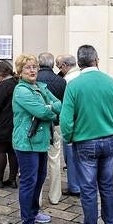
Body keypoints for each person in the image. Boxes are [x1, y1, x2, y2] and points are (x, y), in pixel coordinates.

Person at [60, 45, 113, 224]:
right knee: (107, 187)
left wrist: (69, 138)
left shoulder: (74, 85)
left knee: (88, 190)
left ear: (79, 63)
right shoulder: (112, 83)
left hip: (85, 141)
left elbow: (66, 119)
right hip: (109, 139)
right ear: (97, 60)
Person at [12, 54, 61, 224]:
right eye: (27, 68)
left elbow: (60, 104)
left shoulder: (40, 87)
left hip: (40, 141)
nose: (32, 70)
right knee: (28, 181)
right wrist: (49, 108)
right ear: (20, 71)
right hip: (26, 142)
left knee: (40, 178)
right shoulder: (21, 91)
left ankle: (33, 211)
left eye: (34, 67)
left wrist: (48, 108)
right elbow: (42, 111)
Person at [36, 52, 66, 205]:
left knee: (38, 163)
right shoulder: (61, 81)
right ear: (53, 64)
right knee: (54, 160)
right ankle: (55, 196)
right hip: (56, 123)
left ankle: (38, 198)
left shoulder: (34, 80)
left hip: (37, 125)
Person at [55, 54, 80, 196]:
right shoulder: (82, 76)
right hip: (84, 123)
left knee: (71, 158)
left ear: (64, 65)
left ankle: (74, 187)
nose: (59, 69)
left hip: (71, 124)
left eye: (59, 66)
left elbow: (66, 108)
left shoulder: (67, 80)